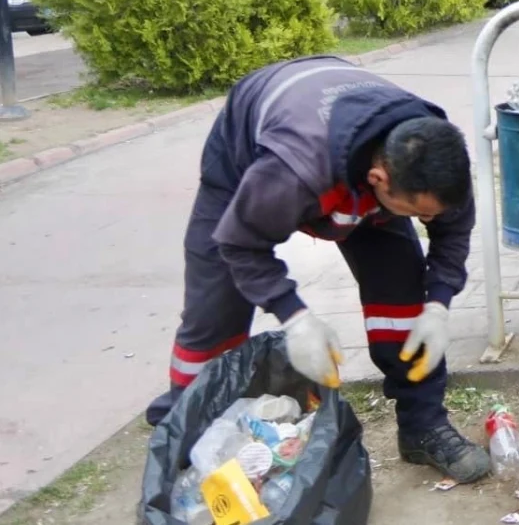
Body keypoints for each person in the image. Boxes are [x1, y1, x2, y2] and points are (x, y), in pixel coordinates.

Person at [145, 55, 491, 484]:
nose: (428, 221)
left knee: (402, 299)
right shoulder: (292, 169)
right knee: (214, 311)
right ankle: (186, 438)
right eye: (419, 213)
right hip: (252, 151)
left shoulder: (438, 161)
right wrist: (295, 317)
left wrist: (437, 304)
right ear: (379, 180)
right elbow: (241, 243)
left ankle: (423, 427)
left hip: (350, 150)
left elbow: (452, 232)